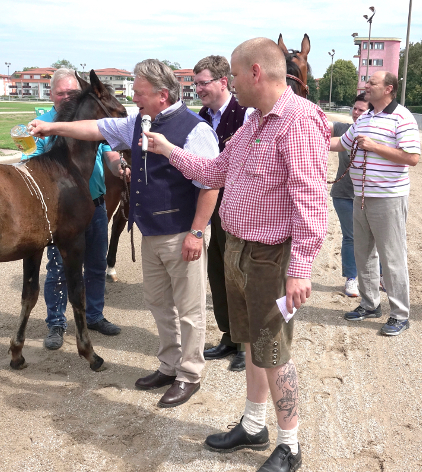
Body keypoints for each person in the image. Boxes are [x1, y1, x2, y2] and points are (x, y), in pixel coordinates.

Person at [143, 38, 329, 471]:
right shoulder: (254, 122)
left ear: (256, 73)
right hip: (240, 250)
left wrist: (299, 268)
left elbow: (311, 201)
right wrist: (168, 150)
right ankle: (253, 424)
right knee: (250, 343)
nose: (230, 84)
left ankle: (290, 444)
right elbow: (214, 172)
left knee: (273, 349)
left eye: (235, 76)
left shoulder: (298, 121)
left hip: (272, 256)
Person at [29, 59, 219, 408]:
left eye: (139, 91)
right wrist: (52, 128)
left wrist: (196, 232)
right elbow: (95, 128)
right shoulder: (138, 122)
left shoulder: (196, 129)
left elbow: (210, 184)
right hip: (151, 232)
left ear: (162, 95)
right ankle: (169, 364)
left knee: (189, 309)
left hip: (181, 234)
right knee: (159, 304)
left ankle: (190, 373)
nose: (133, 96)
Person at [20, 68, 123, 350]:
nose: (66, 97)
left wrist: (120, 167)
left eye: (71, 93)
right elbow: (28, 161)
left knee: (96, 263)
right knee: (58, 268)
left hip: (94, 203)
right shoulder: (38, 124)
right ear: (51, 94)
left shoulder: (90, 121)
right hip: (60, 211)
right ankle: (56, 322)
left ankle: (94, 316)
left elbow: (110, 152)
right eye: (61, 92)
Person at [330, 71, 420, 336]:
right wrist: (310, 143)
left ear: (388, 89)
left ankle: (401, 314)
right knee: (364, 253)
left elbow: (412, 158)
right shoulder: (366, 117)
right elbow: (342, 143)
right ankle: (370, 304)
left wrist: (375, 146)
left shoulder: (402, 117)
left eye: (372, 83)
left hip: (389, 197)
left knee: (392, 257)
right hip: (361, 196)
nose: (366, 85)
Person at [193, 55, 253, 372]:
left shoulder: (247, 114)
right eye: (196, 83)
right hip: (212, 204)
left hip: (242, 207)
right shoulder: (202, 116)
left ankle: (247, 343)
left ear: (222, 82)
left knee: (239, 274)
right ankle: (229, 336)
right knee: (217, 270)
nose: (198, 88)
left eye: (204, 82)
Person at [329, 93, 370, 297]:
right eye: (354, 108)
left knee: (375, 238)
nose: (355, 113)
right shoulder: (342, 129)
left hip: (370, 195)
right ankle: (351, 279)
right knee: (351, 237)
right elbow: (317, 125)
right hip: (344, 194)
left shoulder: (377, 134)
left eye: (361, 110)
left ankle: (378, 276)